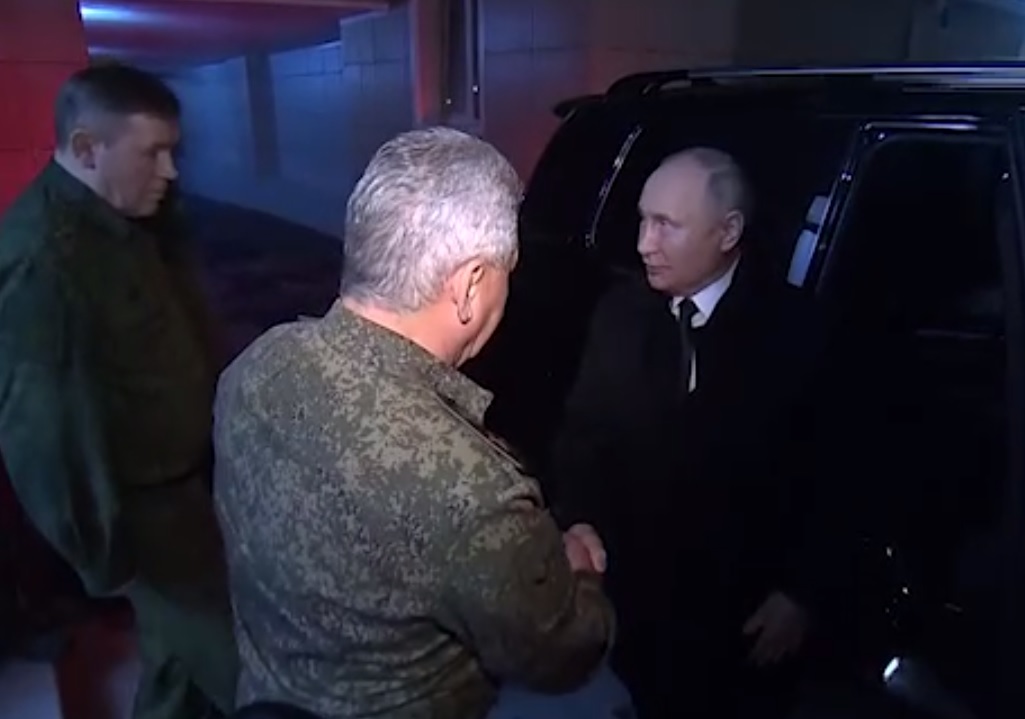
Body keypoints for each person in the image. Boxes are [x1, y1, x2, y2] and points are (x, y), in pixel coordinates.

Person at [213, 127, 630, 719]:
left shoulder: (255, 367)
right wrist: (581, 578)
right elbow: (556, 654)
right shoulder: (472, 489)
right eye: (506, 271)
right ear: (469, 286)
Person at [550, 147, 841, 718]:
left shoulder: (798, 333)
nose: (643, 243)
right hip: (636, 608)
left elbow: (836, 477)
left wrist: (802, 593)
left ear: (728, 231)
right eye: (642, 220)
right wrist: (579, 520)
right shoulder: (619, 315)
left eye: (666, 225)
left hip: (745, 618)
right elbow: (581, 439)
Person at [0, 64, 237, 719]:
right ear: (86, 149)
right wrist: (102, 553)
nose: (170, 171)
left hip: (184, 490)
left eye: (172, 151)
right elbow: (45, 431)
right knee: (245, 670)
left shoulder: (133, 216)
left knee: (177, 668)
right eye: (151, 153)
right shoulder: (47, 260)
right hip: (142, 515)